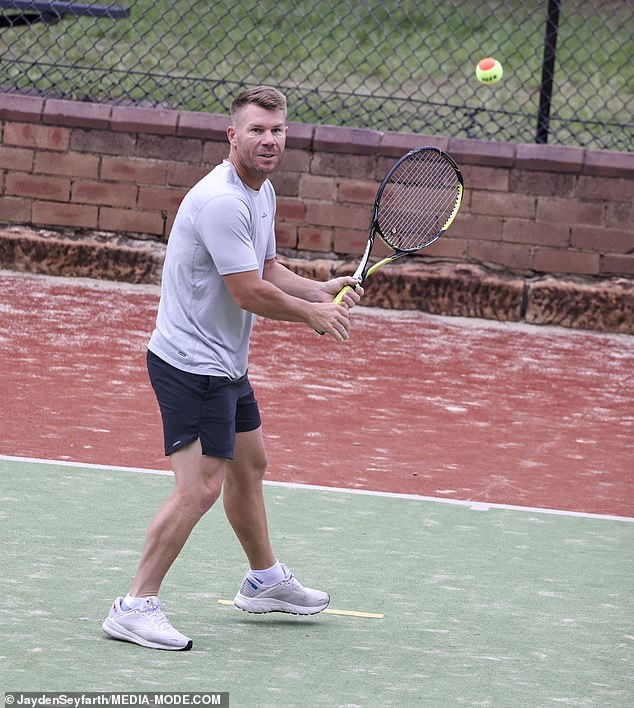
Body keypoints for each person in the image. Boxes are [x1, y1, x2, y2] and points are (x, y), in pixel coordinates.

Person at [102, 86, 363, 651]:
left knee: (250, 467)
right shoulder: (221, 199)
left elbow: (266, 266)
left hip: (224, 363)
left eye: (277, 131)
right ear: (232, 136)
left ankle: (264, 581)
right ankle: (135, 605)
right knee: (198, 488)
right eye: (257, 131)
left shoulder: (260, 189)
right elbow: (247, 292)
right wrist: (312, 317)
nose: (269, 141)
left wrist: (317, 288)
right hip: (192, 364)